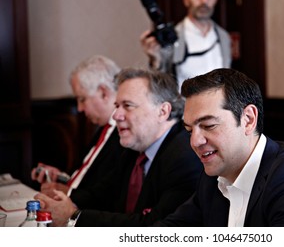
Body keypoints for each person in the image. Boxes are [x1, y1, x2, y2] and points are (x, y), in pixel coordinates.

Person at [154, 68, 284, 227]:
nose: (195, 141)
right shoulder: (214, 177)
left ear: (248, 119)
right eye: (190, 130)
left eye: (208, 126)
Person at [34, 68, 202, 226]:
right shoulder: (134, 145)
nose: (116, 115)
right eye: (117, 106)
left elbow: (154, 226)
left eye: (127, 106)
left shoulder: (185, 156)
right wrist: (64, 201)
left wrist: (73, 217)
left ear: (162, 111)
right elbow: (104, 193)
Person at [31, 55, 124, 197]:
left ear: (104, 92)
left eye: (82, 99)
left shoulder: (123, 133)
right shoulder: (103, 129)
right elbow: (88, 180)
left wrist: (69, 193)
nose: (79, 109)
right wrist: (61, 178)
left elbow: (109, 195)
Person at [140, 0, 231, 88]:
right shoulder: (173, 38)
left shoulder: (224, 37)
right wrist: (155, 60)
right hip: (184, 105)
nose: (204, 1)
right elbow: (159, 87)